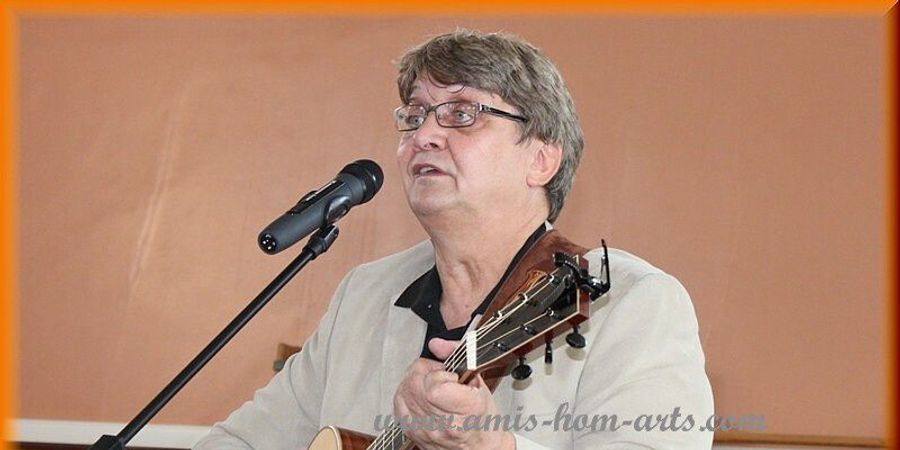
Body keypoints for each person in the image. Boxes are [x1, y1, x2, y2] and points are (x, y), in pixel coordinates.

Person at [194, 29, 713, 450]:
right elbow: (243, 441)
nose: (424, 135)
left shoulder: (632, 300)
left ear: (541, 159)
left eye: (463, 114)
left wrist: (496, 449)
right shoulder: (365, 295)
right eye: (414, 116)